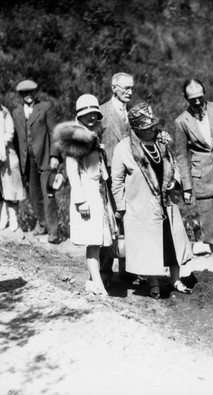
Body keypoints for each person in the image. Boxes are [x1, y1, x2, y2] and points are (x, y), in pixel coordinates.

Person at [112, 102, 192, 298]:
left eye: (153, 126)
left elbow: (174, 165)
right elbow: (117, 181)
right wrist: (121, 208)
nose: (152, 130)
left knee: (172, 243)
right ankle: (154, 283)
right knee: (150, 247)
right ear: (137, 128)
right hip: (141, 207)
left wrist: (175, 181)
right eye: (146, 128)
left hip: (166, 204)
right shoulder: (124, 148)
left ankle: (175, 279)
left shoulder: (161, 142)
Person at [54, 94, 117, 296]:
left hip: (99, 190)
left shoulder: (92, 134)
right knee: (93, 240)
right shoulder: (75, 136)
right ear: (79, 115)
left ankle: (93, 280)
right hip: (87, 193)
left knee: (99, 239)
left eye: (94, 114)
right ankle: (97, 282)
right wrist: (81, 200)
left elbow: (98, 164)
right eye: (87, 114)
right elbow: (72, 171)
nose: (91, 117)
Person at [174, 78, 213, 288]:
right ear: (185, 99)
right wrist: (187, 187)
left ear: (205, 93)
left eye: (200, 98)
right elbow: (181, 156)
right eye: (192, 100)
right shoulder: (182, 121)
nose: (197, 103)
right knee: (211, 228)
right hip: (202, 178)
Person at [11, 79, 61, 243]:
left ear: (35, 93)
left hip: (45, 157)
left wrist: (54, 155)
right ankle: (42, 223)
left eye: (31, 92)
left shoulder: (45, 107)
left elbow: (55, 133)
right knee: (34, 194)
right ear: (20, 95)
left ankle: (54, 231)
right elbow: (16, 138)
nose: (29, 96)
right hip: (27, 160)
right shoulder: (16, 112)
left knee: (48, 194)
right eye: (25, 93)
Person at [99, 72, 134, 282]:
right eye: (125, 88)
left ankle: (127, 269)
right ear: (114, 88)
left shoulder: (134, 113)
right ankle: (104, 271)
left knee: (128, 222)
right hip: (109, 177)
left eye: (131, 88)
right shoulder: (101, 112)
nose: (130, 92)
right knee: (110, 222)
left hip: (131, 176)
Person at [0, 102, 26, 231]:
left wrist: (2, 146)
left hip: (6, 152)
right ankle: (2, 216)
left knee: (11, 185)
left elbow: (10, 132)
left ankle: (13, 217)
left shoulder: (4, 112)